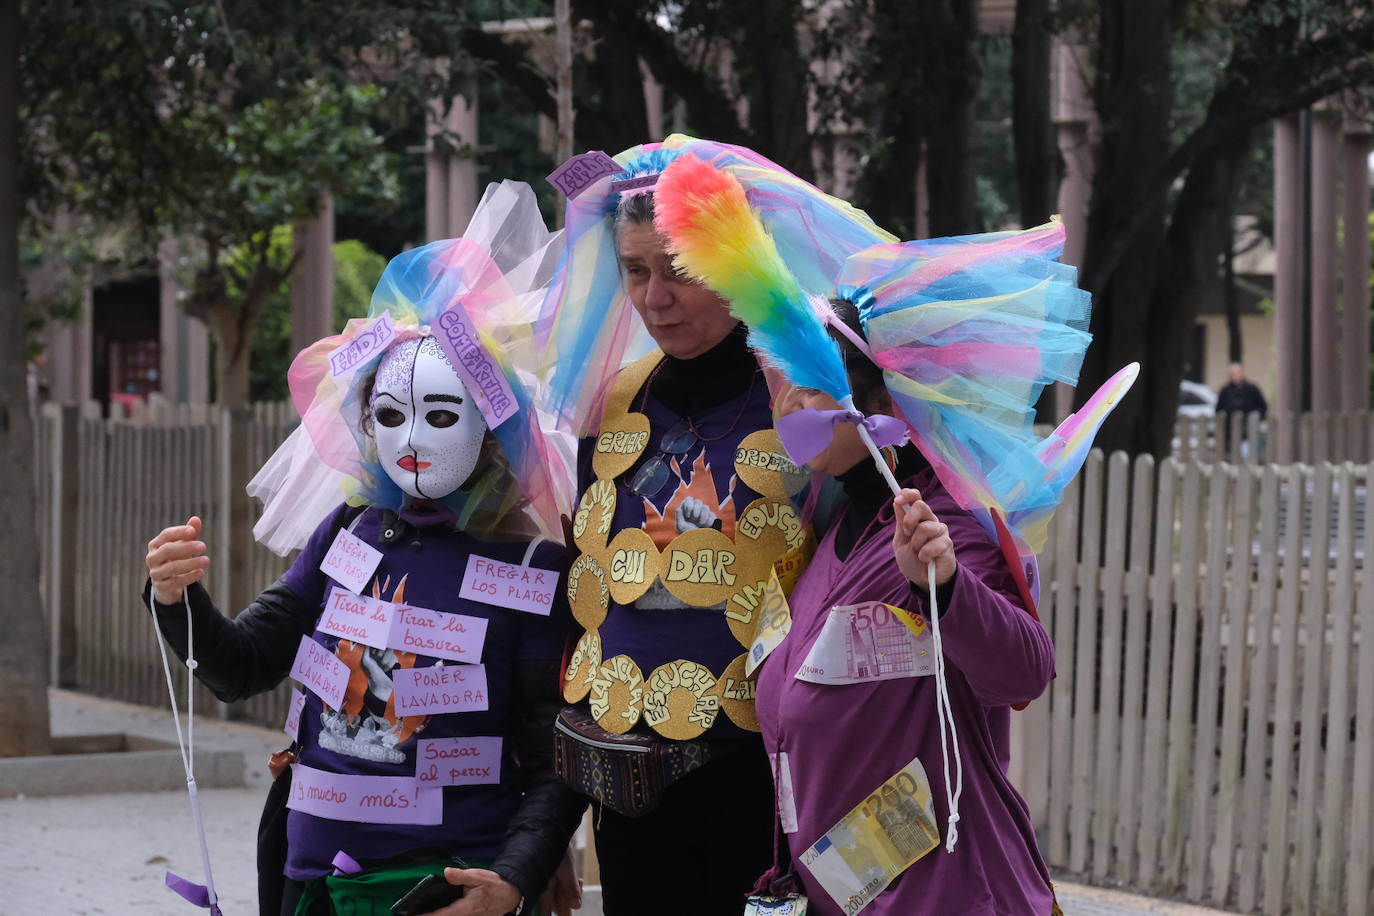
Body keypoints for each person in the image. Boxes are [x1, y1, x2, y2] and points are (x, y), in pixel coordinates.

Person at [647, 170, 1125, 912]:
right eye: (783, 381)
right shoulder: (829, 526)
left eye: (816, 386)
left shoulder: (947, 525)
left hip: (956, 895)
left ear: (883, 403)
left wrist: (946, 586)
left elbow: (1024, 671)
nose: (791, 404)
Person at [143, 183, 583, 916]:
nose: (411, 440)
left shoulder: (534, 570)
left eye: (440, 414)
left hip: (444, 889)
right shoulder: (349, 532)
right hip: (312, 879)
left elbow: (555, 758)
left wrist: (513, 878)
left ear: (492, 424)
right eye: (390, 414)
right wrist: (175, 594)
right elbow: (241, 665)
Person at [539, 136, 894, 915]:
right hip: (632, 788)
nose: (654, 298)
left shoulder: (805, 399)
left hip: (767, 787)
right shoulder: (614, 402)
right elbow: (584, 605)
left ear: (736, 264)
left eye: (680, 271)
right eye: (636, 271)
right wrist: (549, 824)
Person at [1215, 362, 1267, 457]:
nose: (1235, 376)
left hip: (1249, 431)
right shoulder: (1225, 391)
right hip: (1230, 433)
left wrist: (1255, 417)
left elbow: (1263, 407)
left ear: (1242, 373)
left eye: (1237, 373)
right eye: (1232, 374)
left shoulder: (1252, 389)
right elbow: (1218, 409)